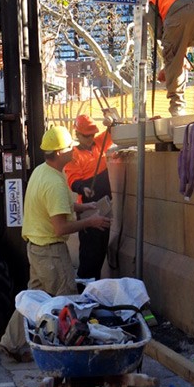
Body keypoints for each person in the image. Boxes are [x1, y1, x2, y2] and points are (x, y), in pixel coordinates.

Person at [0, 124, 111, 361]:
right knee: (66, 300)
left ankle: (10, 342)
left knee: (33, 297)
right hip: (51, 250)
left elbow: (56, 208)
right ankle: (65, 356)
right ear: (59, 153)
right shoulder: (55, 183)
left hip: (37, 247)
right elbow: (60, 227)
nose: (74, 150)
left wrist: (84, 206)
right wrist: (91, 222)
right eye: (70, 147)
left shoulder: (42, 172)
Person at [64, 114, 113, 283]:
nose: (90, 138)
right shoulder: (74, 155)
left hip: (104, 206)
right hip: (88, 208)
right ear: (77, 134)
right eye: (86, 135)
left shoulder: (98, 144)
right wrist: (82, 188)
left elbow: (112, 132)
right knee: (90, 252)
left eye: (92, 134)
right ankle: (85, 286)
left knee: (100, 251)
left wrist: (110, 122)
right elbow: (73, 179)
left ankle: (94, 286)